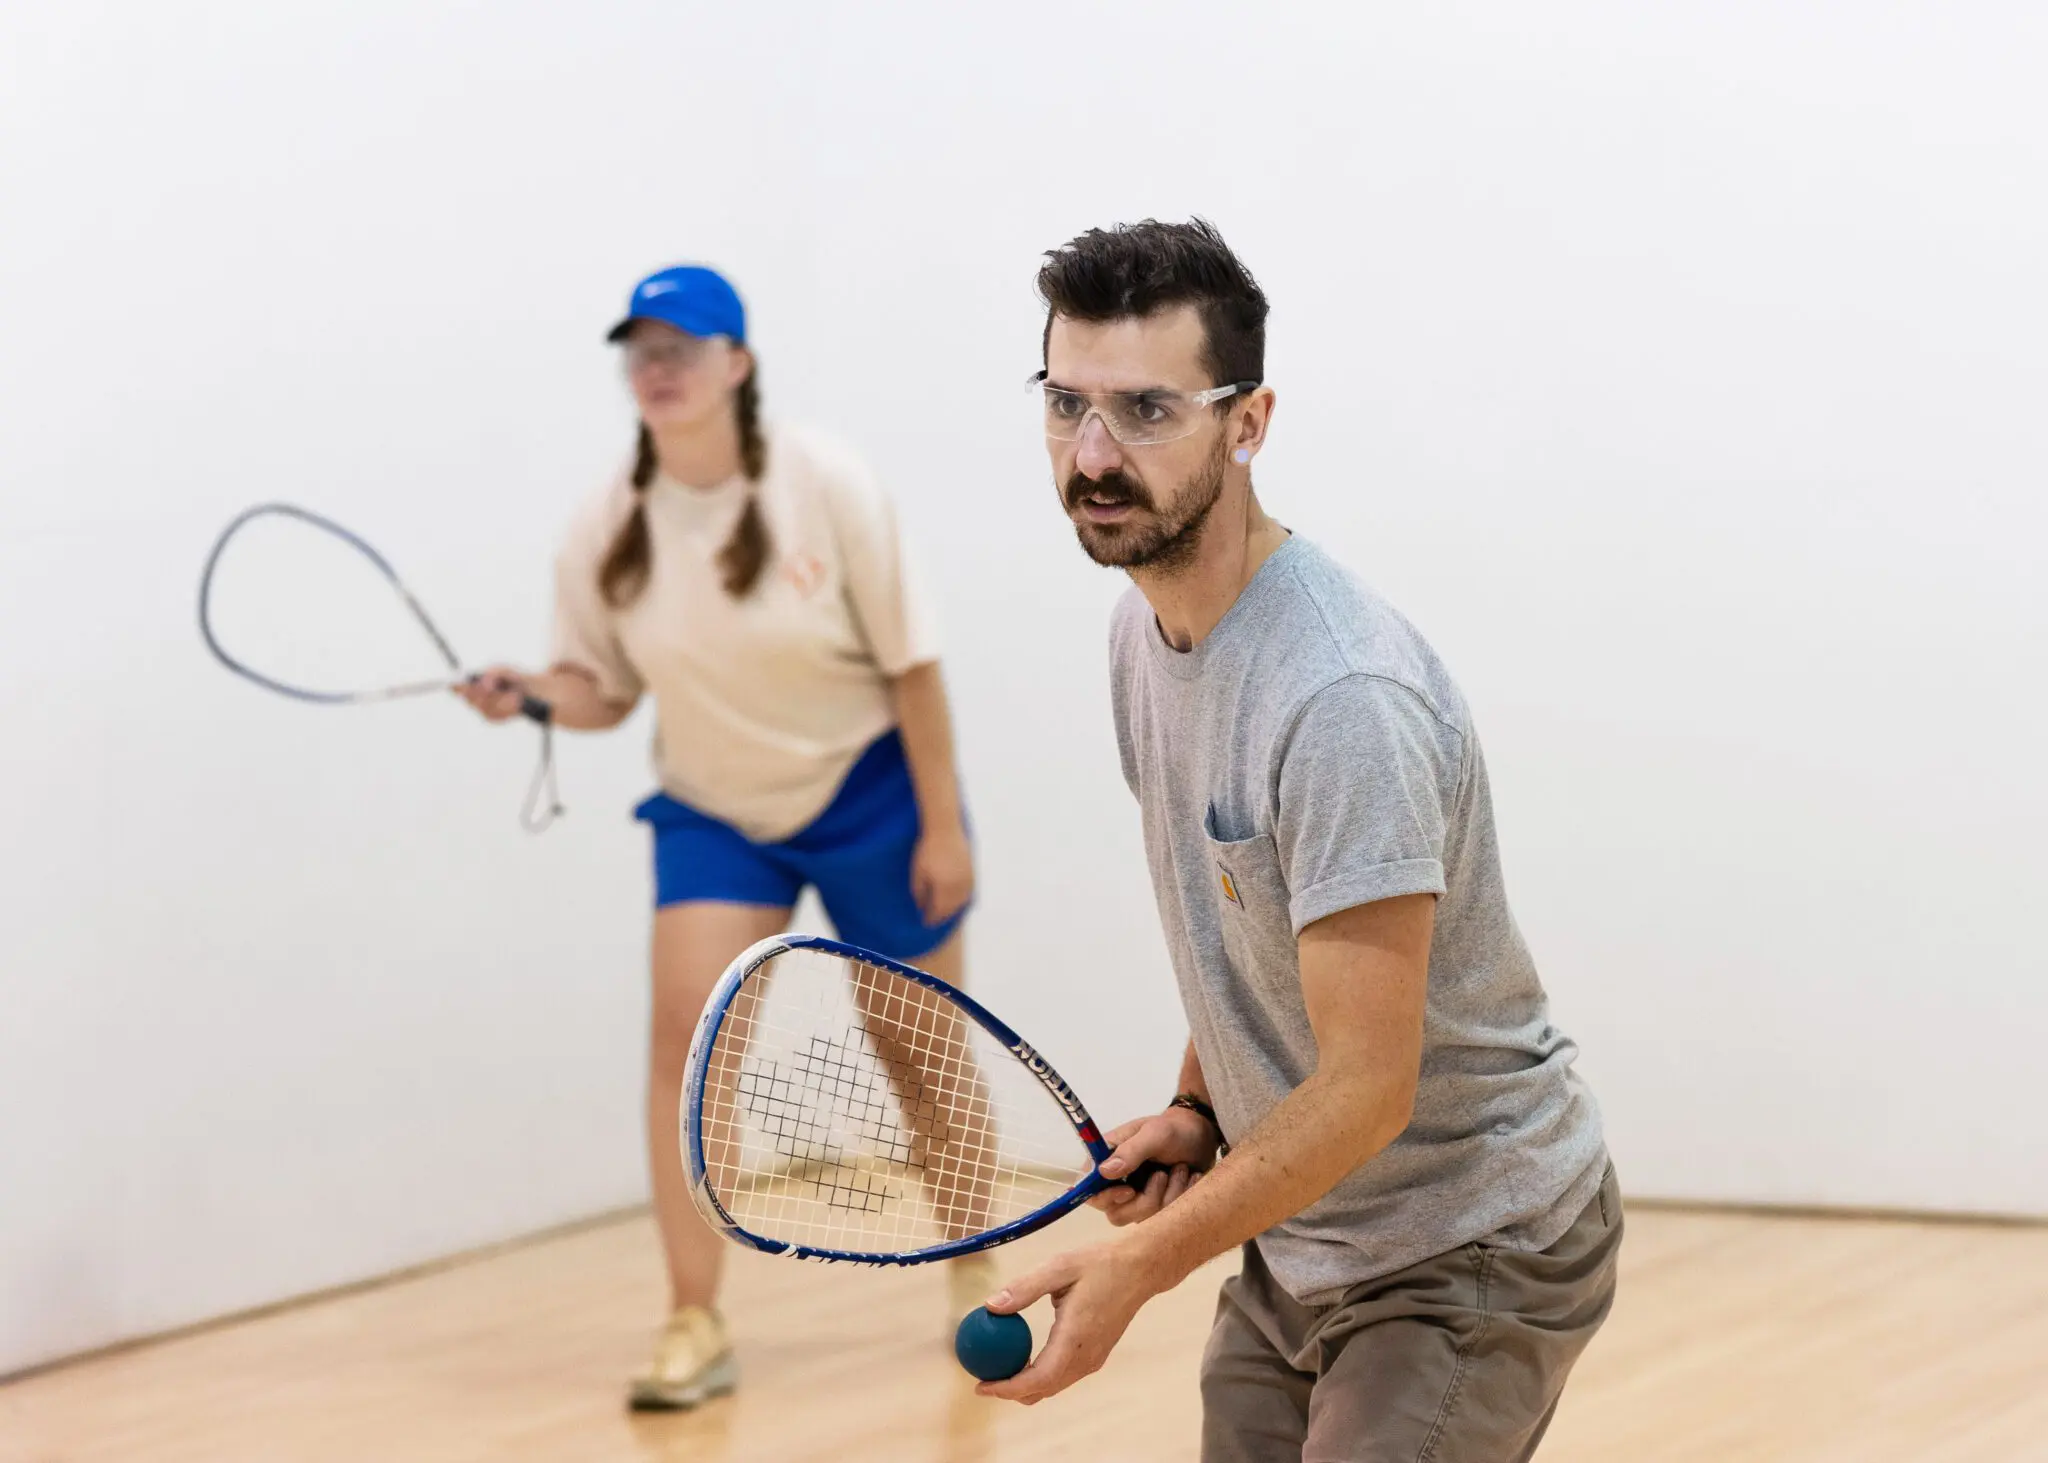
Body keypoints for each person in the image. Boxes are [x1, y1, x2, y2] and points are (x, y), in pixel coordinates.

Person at [978, 221, 1618, 1462]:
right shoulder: (1140, 634)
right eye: (1066, 404)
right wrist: (1193, 1102)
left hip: (1469, 1238)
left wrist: (1141, 1265)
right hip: (1304, 1235)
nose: (1093, 454)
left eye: (1146, 409)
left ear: (1246, 421)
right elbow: (1245, 915)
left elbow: (1368, 1087)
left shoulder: (1339, 699)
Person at [461, 264, 981, 1410]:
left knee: (918, 1047)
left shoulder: (824, 482)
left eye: (680, 347)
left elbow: (914, 662)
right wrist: (534, 696)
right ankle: (694, 1319)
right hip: (712, 810)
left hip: (873, 791)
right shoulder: (606, 525)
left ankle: (974, 1274)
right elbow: (601, 694)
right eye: (638, 350)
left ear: (734, 364)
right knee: (684, 1048)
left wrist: (940, 822)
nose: (656, 367)